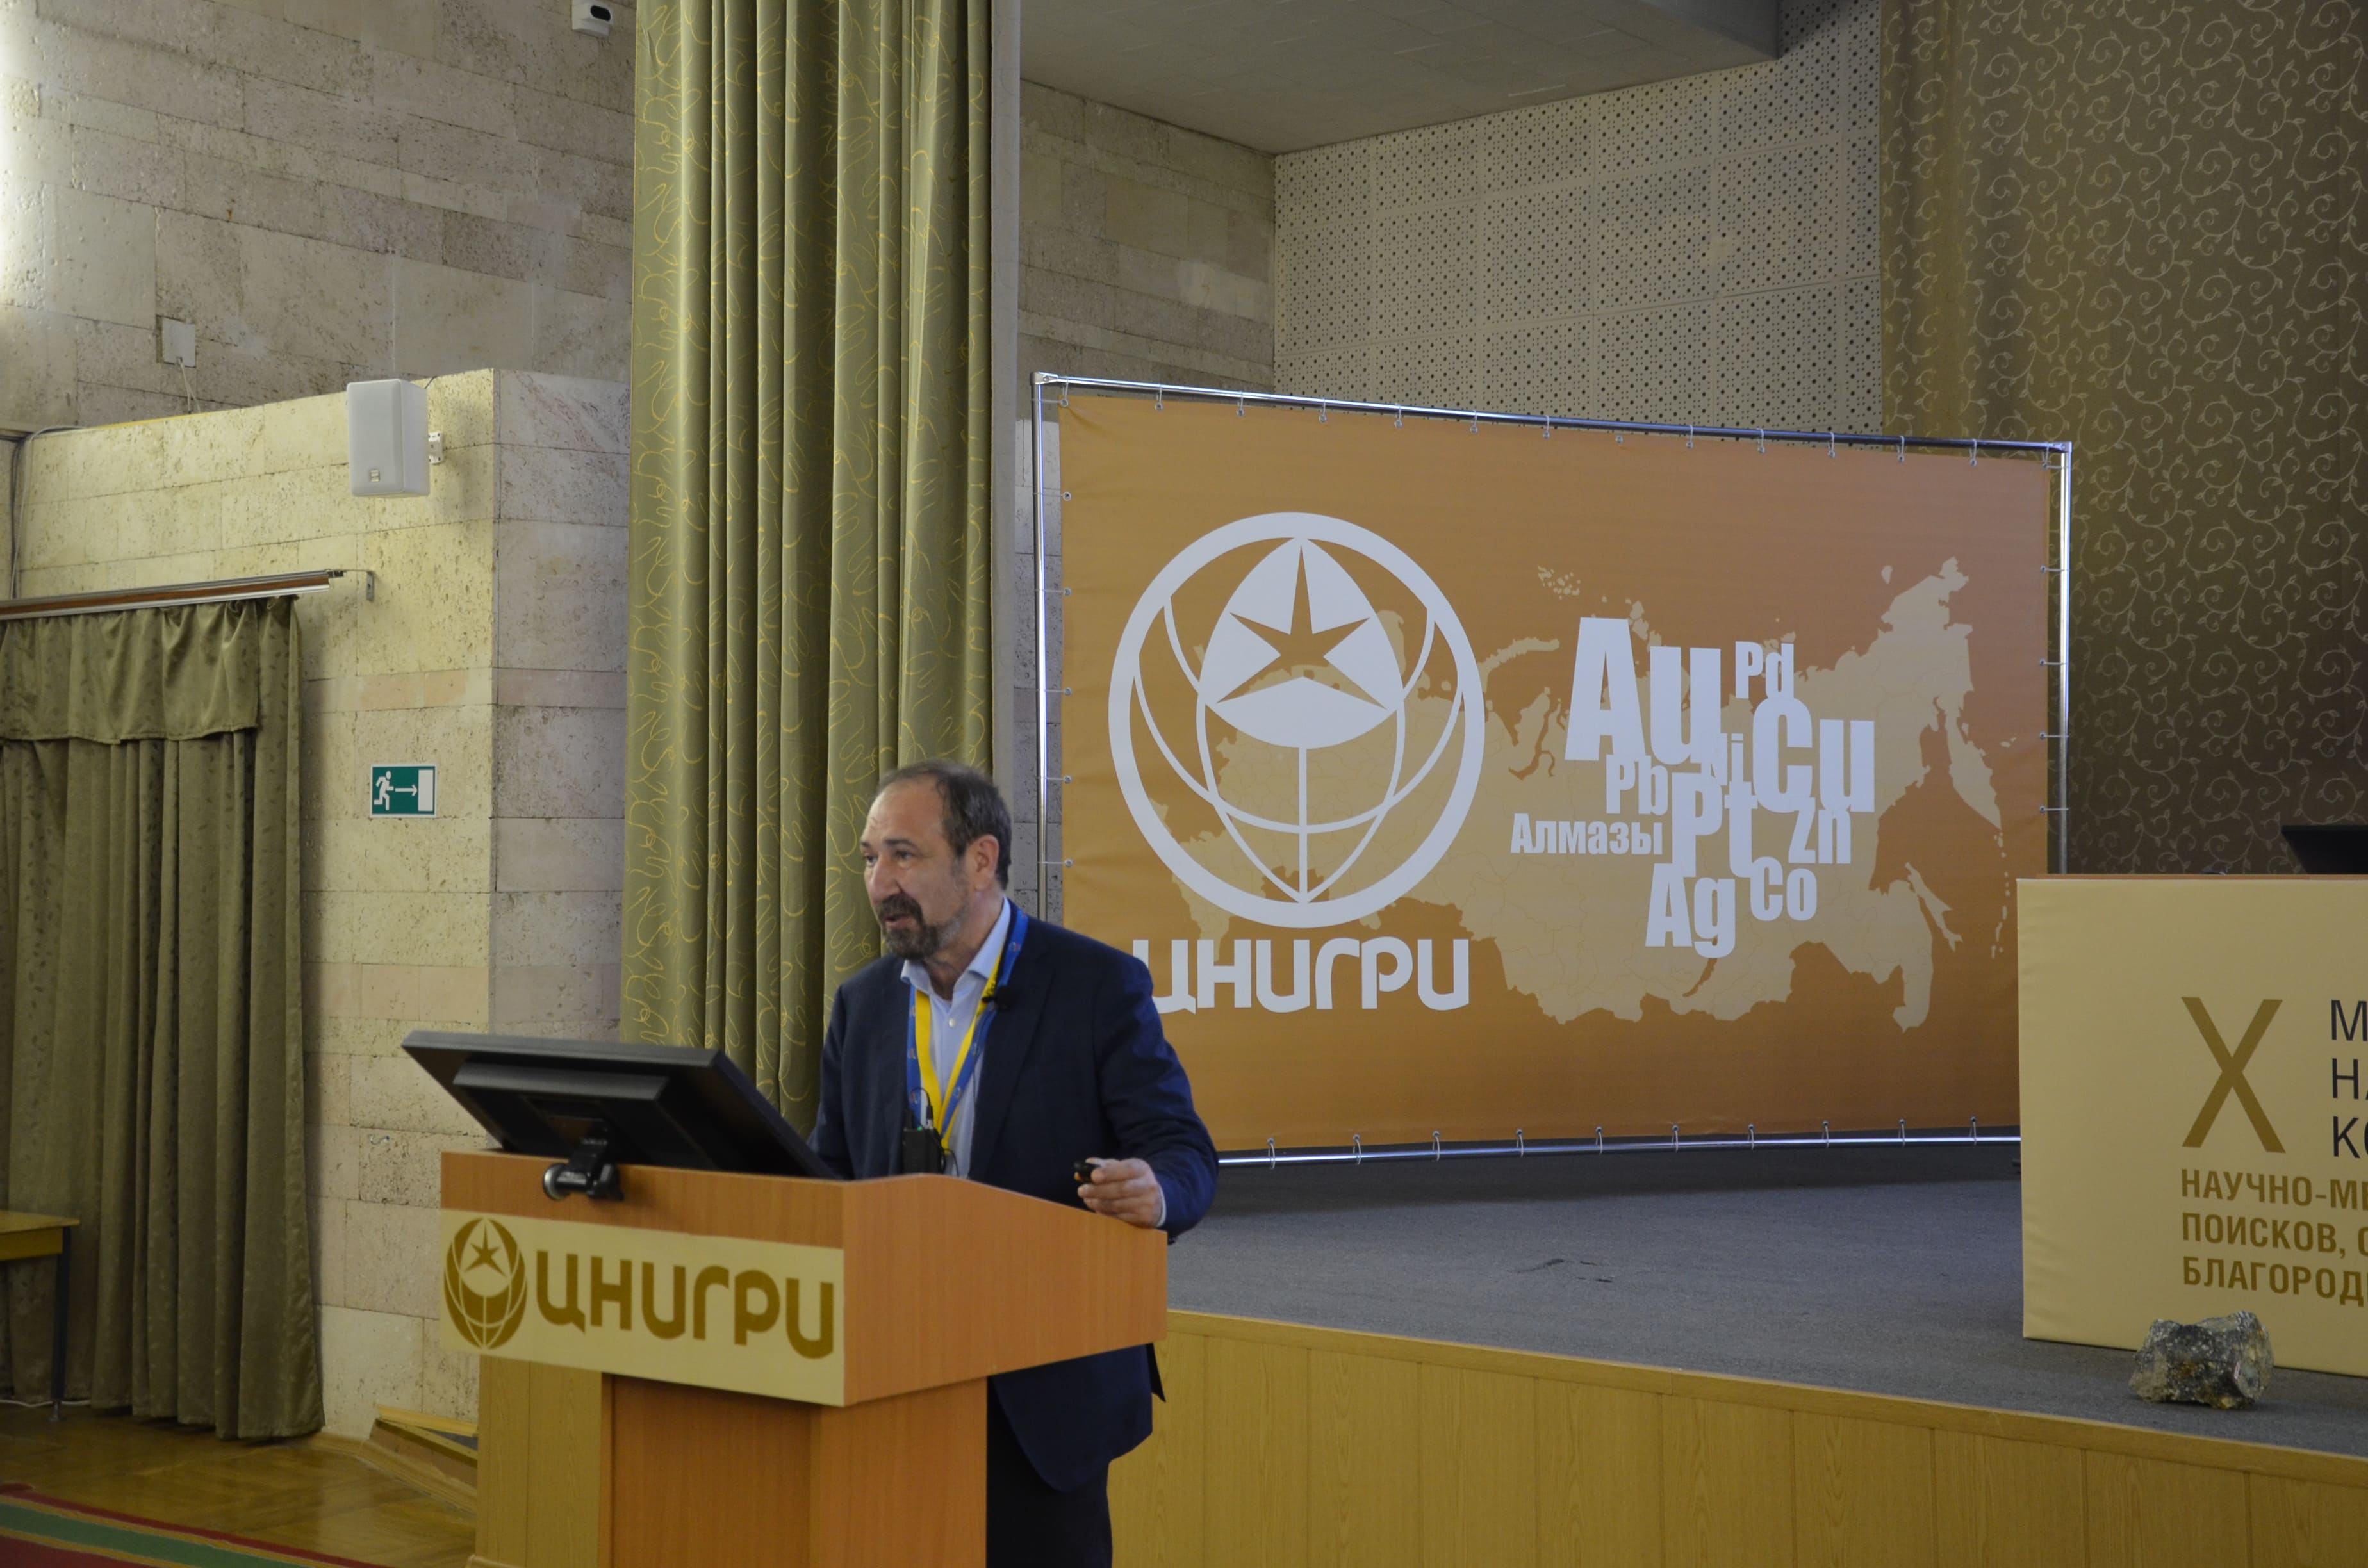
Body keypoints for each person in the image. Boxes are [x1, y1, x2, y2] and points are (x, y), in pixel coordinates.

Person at [810, 760, 1218, 1568]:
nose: (880, 883)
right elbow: (830, 1173)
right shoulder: (864, 1004)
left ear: (981, 860)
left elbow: (1184, 1153)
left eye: (903, 855)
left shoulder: (1095, 985)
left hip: (1043, 1387)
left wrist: (1157, 1193)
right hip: (894, 1368)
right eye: (869, 858)